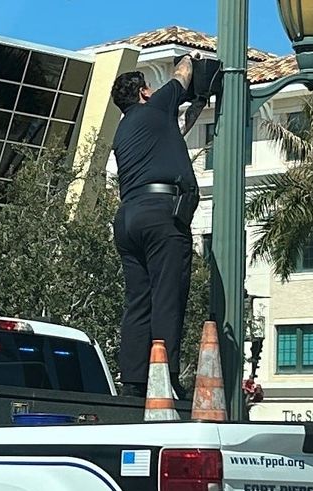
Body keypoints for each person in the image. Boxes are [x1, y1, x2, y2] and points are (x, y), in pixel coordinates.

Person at [110, 51, 207, 400]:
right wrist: (189, 58)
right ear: (144, 93)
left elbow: (173, 135)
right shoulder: (156, 106)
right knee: (168, 297)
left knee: (139, 300)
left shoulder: (125, 131)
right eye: (149, 86)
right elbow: (183, 74)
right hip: (161, 214)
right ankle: (165, 378)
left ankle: (134, 383)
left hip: (128, 218)